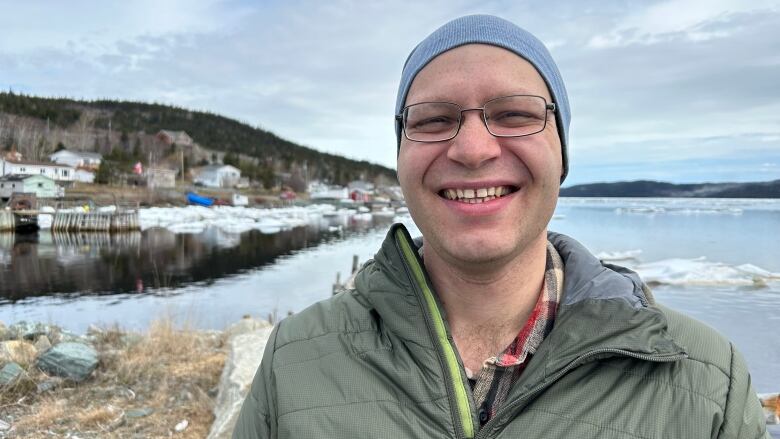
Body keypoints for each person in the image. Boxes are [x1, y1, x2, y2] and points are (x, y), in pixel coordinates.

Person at [233, 15, 769, 438]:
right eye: (433, 119)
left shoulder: (704, 378)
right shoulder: (295, 359)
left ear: (562, 153)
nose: (471, 149)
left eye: (514, 114)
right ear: (400, 155)